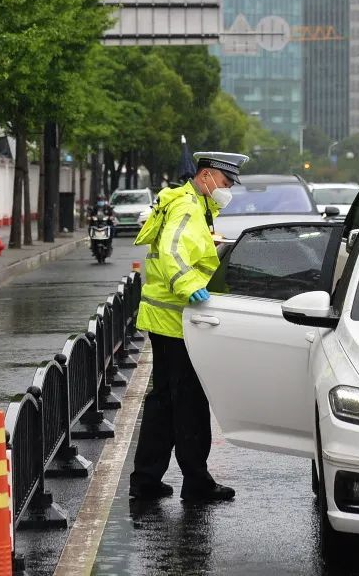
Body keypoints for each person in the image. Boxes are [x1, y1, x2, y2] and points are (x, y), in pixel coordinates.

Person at [129, 151, 248, 502]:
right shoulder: (187, 206)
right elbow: (172, 252)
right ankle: (196, 481)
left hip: (165, 318)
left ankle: (146, 479)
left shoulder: (193, 204)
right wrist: (188, 286)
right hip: (178, 318)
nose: (227, 190)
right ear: (208, 176)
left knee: (164, 400)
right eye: (226, 183)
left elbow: (182, 247)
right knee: (190, 402)